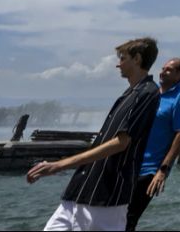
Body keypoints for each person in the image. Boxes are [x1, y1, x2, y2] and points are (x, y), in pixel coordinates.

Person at [27, 38, 161, 231]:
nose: (118, 64)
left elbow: (121, 142)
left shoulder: (147, 93)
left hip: (107, 196)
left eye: (123, 58)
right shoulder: (129, 94)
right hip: (80, 191)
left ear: (137, 59)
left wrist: (58, 165)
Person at [126, 58, 180, 231]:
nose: (163, 72)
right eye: (163, 68)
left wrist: (163, 170)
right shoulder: (152, 92)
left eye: (169, 70)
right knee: (114, 213)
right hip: (130, 162)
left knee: (129, 217)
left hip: (151, 169)